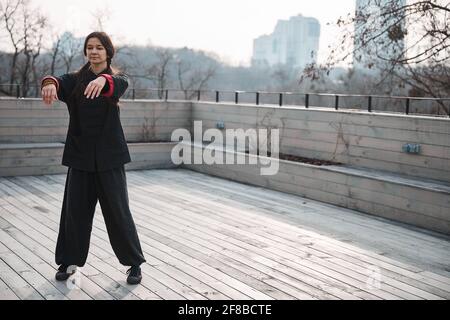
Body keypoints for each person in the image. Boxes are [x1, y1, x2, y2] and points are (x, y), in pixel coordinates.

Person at [41, 31, 146, 285]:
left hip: (110, 159)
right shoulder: (76, 80)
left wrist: (104, 80)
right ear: (85, 52)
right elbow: (55, 79)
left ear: (108, 52)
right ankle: (68, 261)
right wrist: (49, 84)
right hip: (80, 159)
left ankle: (134, 264)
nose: (94, 51)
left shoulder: (116, 80)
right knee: (74, 214)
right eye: (90, 47)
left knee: (118, 213)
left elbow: (120, 82)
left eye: (99, 47)